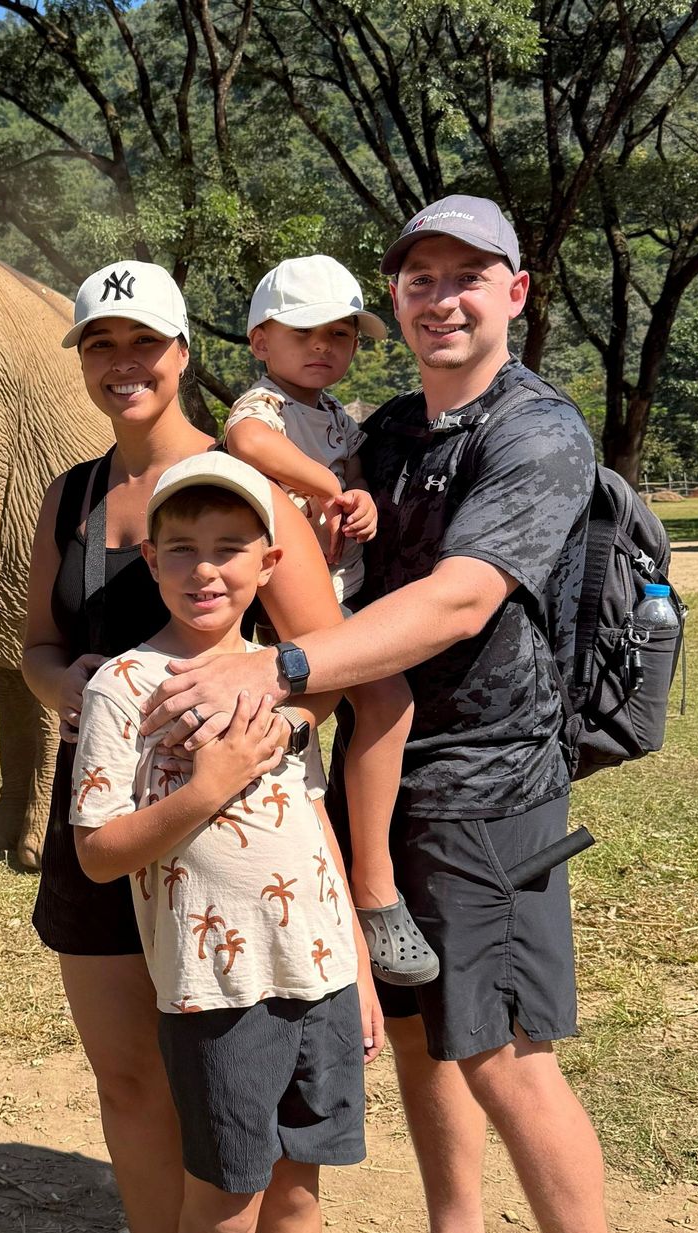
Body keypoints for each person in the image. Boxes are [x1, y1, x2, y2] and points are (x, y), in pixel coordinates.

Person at [139, 197, 646, 1233]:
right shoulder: (392, 428)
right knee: (428, 1036)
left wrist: (287, 669)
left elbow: (462, 599)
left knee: (507, 1052)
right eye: (419, 278)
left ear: (516, 294)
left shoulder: (538, 432)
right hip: (397, 782)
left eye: (468, 277)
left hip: (490, 786)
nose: (442, 298)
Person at [22, 261, 347, 1233]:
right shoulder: (69, 497)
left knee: (228, 1082)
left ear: (184, 350)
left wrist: (251, 733)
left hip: (230, 847)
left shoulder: (249, 478)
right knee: (129, 1078)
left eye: (143, 344)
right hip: (104, 822)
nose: (124, 367)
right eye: (99, 347)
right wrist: (97, 700)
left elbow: (326, 658)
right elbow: (37, 643)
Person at [72, 452, 385, 1233]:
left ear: (267, 561)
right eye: (182, 548)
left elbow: (312, 822)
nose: (206, 568)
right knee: (223, 1206)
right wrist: (203, 786)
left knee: (301, 1189)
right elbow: (101, 850)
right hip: (213, 994)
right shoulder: (122, 687)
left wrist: (350, 945)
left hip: (318, 976)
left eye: (229, 547)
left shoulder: (284, 676)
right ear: (150, 559)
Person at [226, 256, 437, 987]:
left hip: (341, 596)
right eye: (304, 332)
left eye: (342, 335)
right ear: (260, 340)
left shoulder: (338, 417)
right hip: (299, 605)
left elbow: (352, 486)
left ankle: (327, 888)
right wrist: (328, 485)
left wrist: (361, 499)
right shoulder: (265, 407)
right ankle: (372, 893)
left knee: (314, 745)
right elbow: (248, 448)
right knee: (383, 700)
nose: (325, 347)